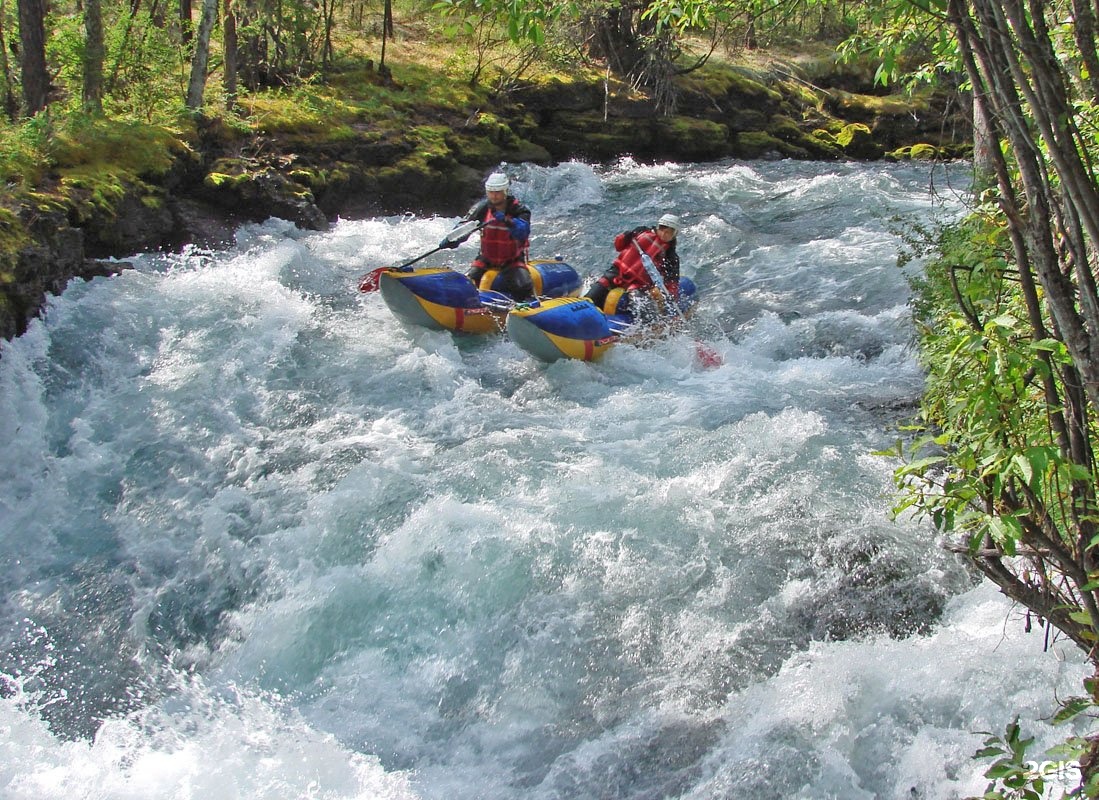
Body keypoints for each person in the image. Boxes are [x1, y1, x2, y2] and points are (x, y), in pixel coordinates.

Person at [442, 171, 533, 301]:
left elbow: (522, 232)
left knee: (522, 286)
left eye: (498, 192)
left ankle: (523, 306)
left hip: (512, 260)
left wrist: (506, 220)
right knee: (468, 282)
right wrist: (452, 239)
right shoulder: (481, 208)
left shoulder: (519, 209)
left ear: (505, 191)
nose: (494, 196)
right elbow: (465, 227)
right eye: (491, 192)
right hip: (486, 258)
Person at [584, 213, 682, 317]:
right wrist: (625, 236)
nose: (663, 234)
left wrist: (667, 298)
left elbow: (672, 283)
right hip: (617, 273)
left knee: (642, 308)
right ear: (658, 227)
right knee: (593, 295)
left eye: (668, 233)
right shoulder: (640, 232)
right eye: (662, 229)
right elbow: (619, 246)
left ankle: (650, 326)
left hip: (639, 285)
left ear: (674, 234)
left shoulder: (670, 256)